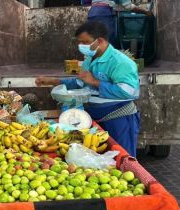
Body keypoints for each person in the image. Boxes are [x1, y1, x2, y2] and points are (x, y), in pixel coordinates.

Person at [36, 21, 140, 157]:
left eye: (85, 42)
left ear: (100, 41)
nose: (82, 46)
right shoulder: (90, 59)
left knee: (122, 158)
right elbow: (80, 82)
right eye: (80, 42)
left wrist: (95, 82)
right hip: (95, 117)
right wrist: (53, 81)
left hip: (119, 119)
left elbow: (129, 91)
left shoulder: (121, 62)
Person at [86, 0, 152, 47]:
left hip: (92, 13)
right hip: (105, 13)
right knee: (107, 41)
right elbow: (129, 6)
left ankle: (94, 64)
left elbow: (85, 2)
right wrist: (145, 12)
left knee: (93, 40)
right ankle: (107, 64)